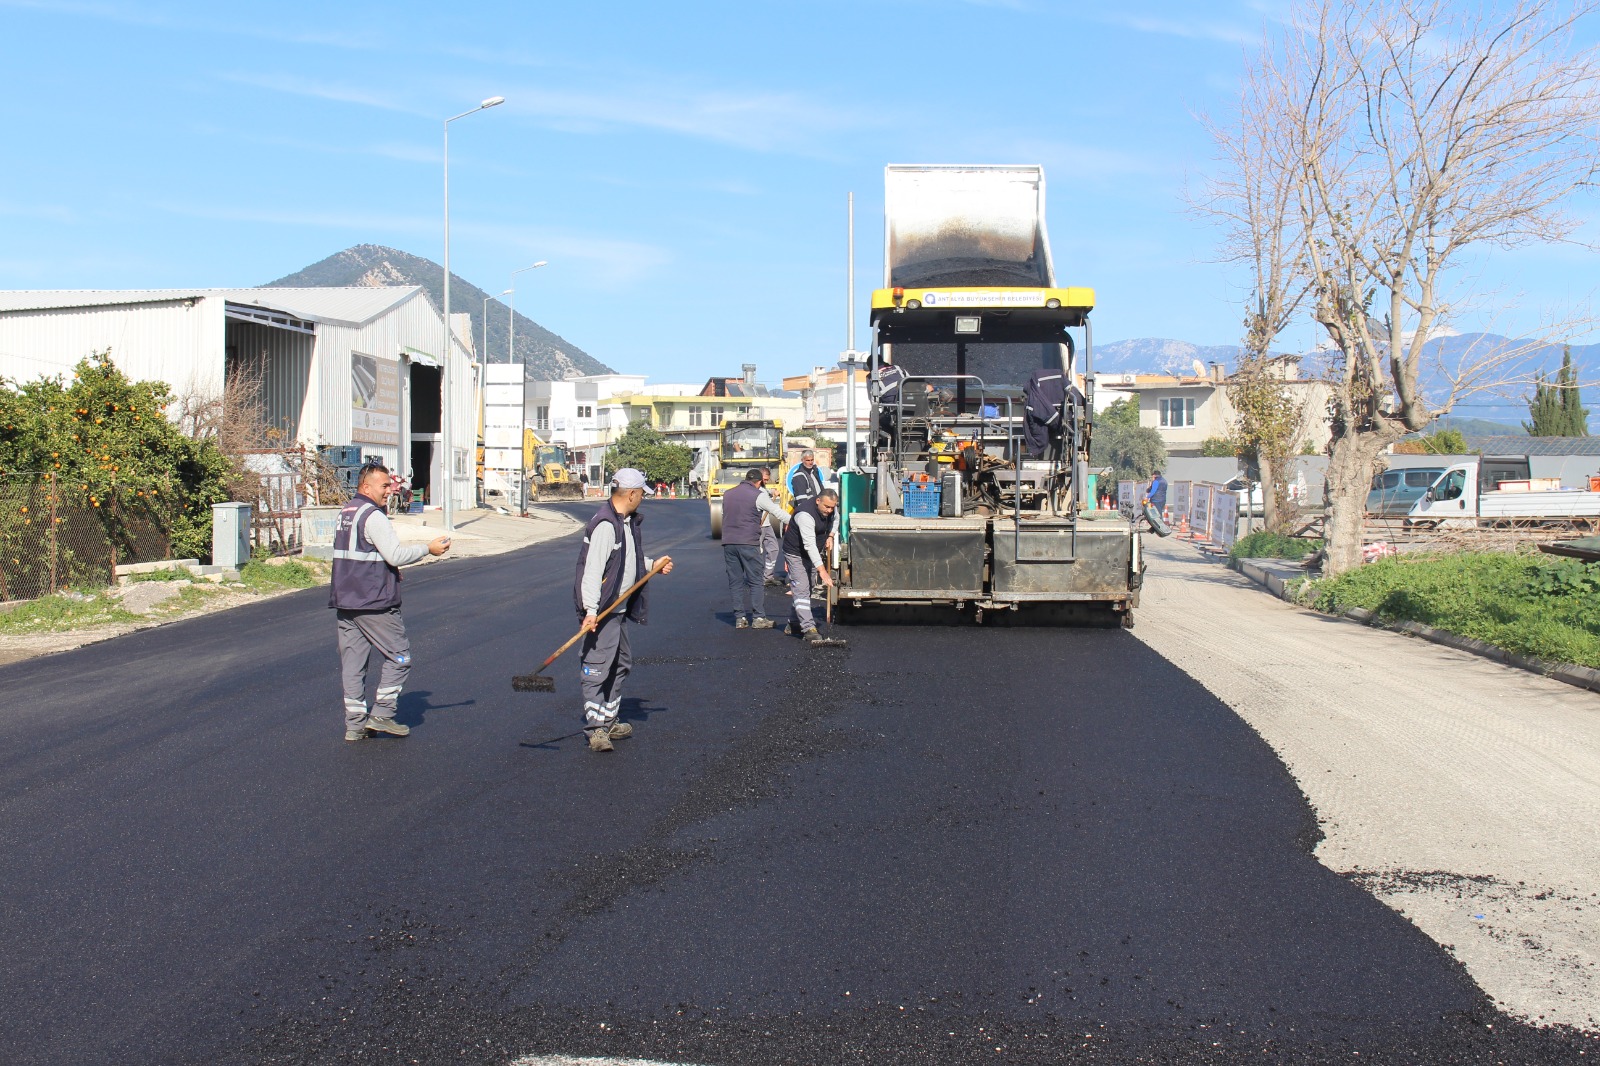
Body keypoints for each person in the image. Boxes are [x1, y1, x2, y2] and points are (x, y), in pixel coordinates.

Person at [330, 463, 450, 742]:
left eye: (390, 485)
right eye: (384, 486)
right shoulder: (373, 516)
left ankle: (355, 725)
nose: (390, 490)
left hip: (346, 600)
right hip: (374, 602)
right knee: (400, 657)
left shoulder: (346, 512)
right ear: (366, 486)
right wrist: (428, 549)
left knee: (353, 664)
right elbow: (394, 554)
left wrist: (385, 568)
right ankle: (382, 715)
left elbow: (360, 554)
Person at [575, 467, 674, 753]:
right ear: (630, 493)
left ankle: (608, 720)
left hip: (616, 611)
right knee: (596, 668)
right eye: (642, 493)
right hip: (604, 610)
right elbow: (592, 572)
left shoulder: (624, 522)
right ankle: (596, 730)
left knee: (621, 664)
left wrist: (651, 564)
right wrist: (591, 611)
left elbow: (627, 560)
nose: (643, 497)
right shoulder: (606, 525)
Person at [721, 468, 789, 629]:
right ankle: (758, 618)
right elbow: (777, 513)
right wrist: (798, 521)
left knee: (735, 581)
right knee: (756, 580)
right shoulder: (758, 495)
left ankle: (740, 618)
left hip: (729, 542)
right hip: (749, 543)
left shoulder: (728, 494)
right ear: (759, 482)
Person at [783, 487, 838, 644]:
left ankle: (794, 623)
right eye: (826, 507)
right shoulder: (805, 515)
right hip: (796, 552)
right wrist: (822, 570)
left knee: (808, 587)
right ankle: (808, 629)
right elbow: (809, 545)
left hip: (812, 553)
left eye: (832, 507)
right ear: (818, 501)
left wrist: (831, 535)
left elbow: (836, 519)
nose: (829, 510)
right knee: (801, 587)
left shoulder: (832, 509)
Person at [758, 466, 786, 587]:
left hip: (766, 525)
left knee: (774, 548)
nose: (766, 482)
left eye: (767, 480)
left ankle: (767, 576)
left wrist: (772, 491)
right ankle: (756, 578)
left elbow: (765, 491)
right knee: (756, 553)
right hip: (756, 526)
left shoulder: (763, 489)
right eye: (764, 479)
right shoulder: (754, 490)